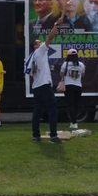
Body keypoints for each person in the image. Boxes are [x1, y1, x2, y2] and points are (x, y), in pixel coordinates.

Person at [25, 15, 64, 144]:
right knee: (53, 110)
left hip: (36, 87)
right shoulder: (39, 52)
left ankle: (36, 135)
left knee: (37, 112)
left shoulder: (31, 57)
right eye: (38, 42)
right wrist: (57, 24)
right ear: (35, 46)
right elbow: (50, 37)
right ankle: (53, 136)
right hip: (44, 86)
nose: (41, 43)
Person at [58, 48, 85, 130]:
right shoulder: (81, 64)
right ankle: (74, 121)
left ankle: (73, 122)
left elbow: (61, 74)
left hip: (68, 86)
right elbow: (83, 74)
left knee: (70, 105)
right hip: (78, 86)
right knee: (76, 105)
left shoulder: (65, 64)